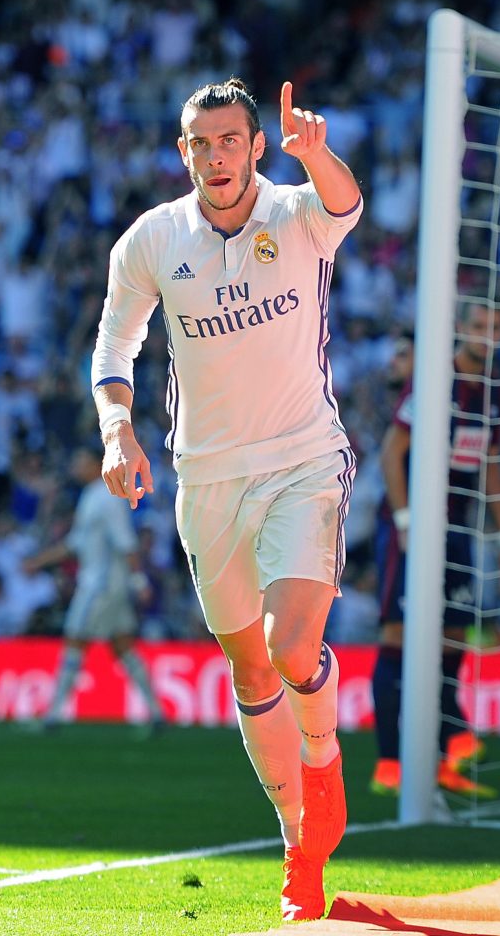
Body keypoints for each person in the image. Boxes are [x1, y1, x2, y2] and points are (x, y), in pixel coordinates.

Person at [91, 78, 362, 922]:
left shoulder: (295, 213)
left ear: (254, 146)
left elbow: (346, 204)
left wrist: (314, 149)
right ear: (185, 154)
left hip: (302, 462)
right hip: (204, 477)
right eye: (199, 143)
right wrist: (115, 428)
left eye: (229, 141)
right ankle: (297, 846)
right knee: (248, 667)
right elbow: (116, 340)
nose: (215, 156)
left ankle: (323, 766)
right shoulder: (151, 240)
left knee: (289, 649)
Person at [370, 301, 500, 799]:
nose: (488, 334)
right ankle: (389, 763)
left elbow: (490, 462)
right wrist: (406, 520)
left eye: (496, 327)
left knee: (452, 643)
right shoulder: (435, 380)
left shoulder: (493, 391)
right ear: (460, 329)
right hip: (410, 527)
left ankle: (442, 757)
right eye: (480, 325)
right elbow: (392, 452)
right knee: (398, 636)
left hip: (458, 530)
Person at [22, 444, 164, 731]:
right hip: (108, 585)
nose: (75, 467)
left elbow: (126, 542)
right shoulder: (91, 496)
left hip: (100, 587)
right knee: (122, 645)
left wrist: (140, 581)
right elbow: (75, 544)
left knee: (75, 639)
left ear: (95, 463)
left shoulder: (108, 497)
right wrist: (38, 562)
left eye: (80, 461)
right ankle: (157, 713)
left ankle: (52, 716)